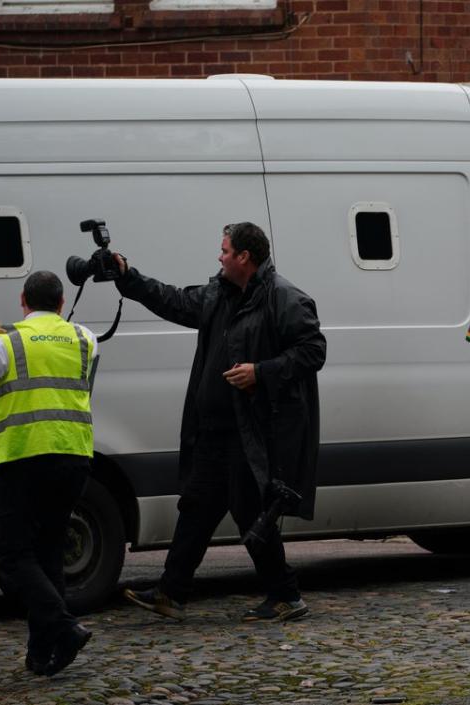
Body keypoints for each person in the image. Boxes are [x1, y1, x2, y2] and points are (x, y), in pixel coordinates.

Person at [118, 222, 326, 622]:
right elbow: (174, 300)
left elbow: (313, 351)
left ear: (244, 257)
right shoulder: (218, 294)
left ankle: (286, 595)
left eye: (225, 250)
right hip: (214, 430)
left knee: (249, 511)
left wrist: (260, 372)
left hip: (249, 434)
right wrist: (128, 277)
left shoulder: (284, 298)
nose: (220, 256)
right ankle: (171, 592)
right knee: (196, 507)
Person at [0, 271, 97, 675]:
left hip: (24, 458)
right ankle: (41, 652)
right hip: (74, 455)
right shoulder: (84, 338)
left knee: (12, 554)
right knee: (49, 551)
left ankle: (64, 626)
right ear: (61, 301)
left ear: (23, 300)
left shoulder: (8, 342)